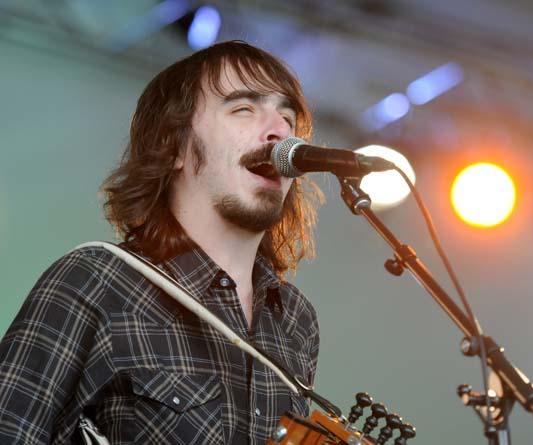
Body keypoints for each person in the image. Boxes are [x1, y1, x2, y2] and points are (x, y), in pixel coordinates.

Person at [0, 40, 322, 444]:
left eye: (287, 117)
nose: (279, 131)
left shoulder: (295, 320)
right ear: (174, 146)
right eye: (243, 109)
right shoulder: (97, 281)